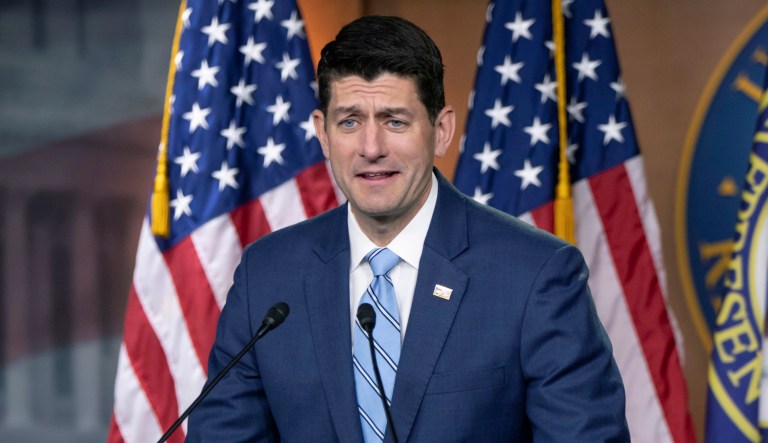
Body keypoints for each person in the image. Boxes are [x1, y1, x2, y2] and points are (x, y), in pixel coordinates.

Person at [187, 15, 629, 442]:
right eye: (349, 122)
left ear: (441, 130)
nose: (371, 148)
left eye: (395, 121)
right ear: (323, 133)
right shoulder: (267, 275)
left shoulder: (535, 275)